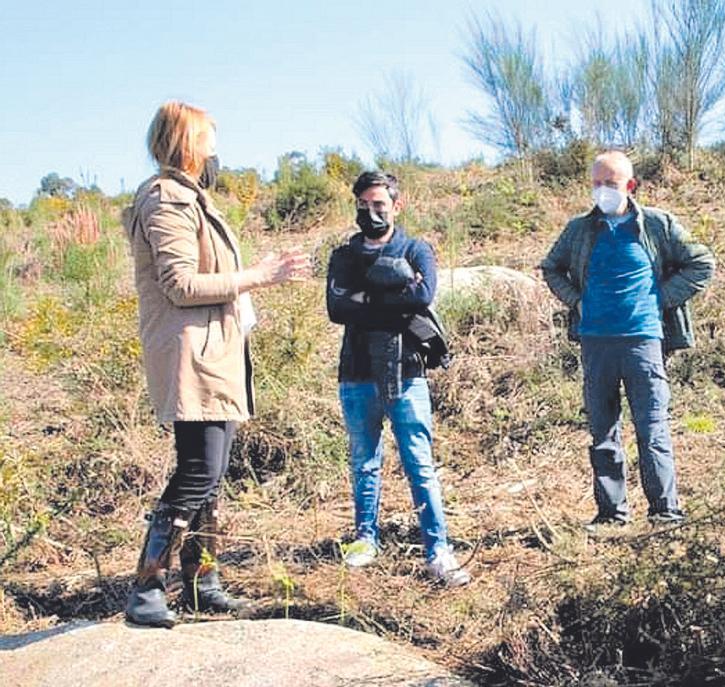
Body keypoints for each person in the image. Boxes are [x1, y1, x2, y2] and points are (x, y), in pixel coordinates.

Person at [123, 100, 310, 628]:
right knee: (199, 468)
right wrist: (259, 276)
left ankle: (203, 581)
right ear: (185, 142)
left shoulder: (191, 199)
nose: (216, 146)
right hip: (193, 355)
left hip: (216, 353)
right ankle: (146, 587)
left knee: (212, 473)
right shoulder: (165, 199)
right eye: (208, 136)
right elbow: (181, 286)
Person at [541, 150, 715, 528]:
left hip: (643, 342)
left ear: (630, 186)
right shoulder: (579, 230)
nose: (603, 190)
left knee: (652, 428)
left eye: (611, 183)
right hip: (596, 343)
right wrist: (577, 301)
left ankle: (665, 511)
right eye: (597, 183)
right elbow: (550, 268)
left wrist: (661, 299)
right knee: (602, 431)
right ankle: (611, 513)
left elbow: (702, 263)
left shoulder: (657, 225)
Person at [325, 171, 468, 585]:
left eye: (379, 205)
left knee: (419, 463)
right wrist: (390, 296)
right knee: (364, 462)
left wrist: (365, 299)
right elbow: (337, 308)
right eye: (363, 205)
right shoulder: (344, 256)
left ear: (396, 206)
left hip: (407, 373)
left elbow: (423, 296)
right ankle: (366, 539)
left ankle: (438, 548)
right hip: (356, 373)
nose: (371, 213)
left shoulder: (416, 248)